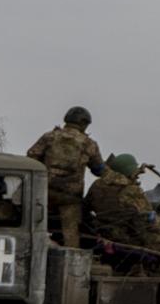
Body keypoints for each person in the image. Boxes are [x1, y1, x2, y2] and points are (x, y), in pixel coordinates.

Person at [85, 153, 160, 276]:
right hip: (129, 238)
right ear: (128, 171)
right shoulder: (131, 190)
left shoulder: (97, 185)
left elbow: (85, 207)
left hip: (105, 235)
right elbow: (148, 220)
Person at [27, 106, 104, 248]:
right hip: (70, 198)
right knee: (71, 234)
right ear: (84, 124)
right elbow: (99, 170)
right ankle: (69, 262)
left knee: (31, 226)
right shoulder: (88, 144)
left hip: (43, 192)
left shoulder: (49, 137)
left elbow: (31, 157)